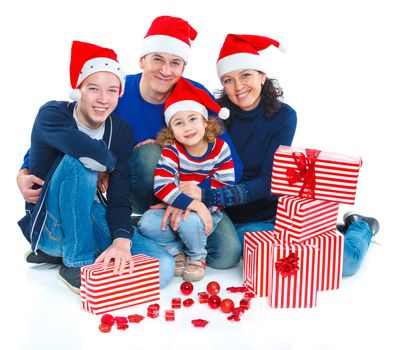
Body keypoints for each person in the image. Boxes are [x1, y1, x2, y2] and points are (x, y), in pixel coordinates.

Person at [17, 15, 243, 271]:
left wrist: (194, 195)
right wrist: (24, 171)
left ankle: (145, 235)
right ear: (142, 60)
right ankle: (122, 230)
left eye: (175, 63)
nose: (165, 70)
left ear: (183, 67)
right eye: (157, 59)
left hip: (193, 195)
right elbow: (66, 133)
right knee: (149, 154)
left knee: (227, 256)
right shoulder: (114, 92)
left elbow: (231, 164)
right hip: (135, 191)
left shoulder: (193, 98)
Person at [176, 33, 380, 277]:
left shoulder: (284, 116)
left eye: (245, 75)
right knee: (269, 261)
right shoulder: (214, 118)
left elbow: (268, 181)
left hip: (279, 213)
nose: (238, 87)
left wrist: (207, 194)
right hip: (235, 221)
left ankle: (360, 225)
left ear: (262, 76)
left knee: (345, 263)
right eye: (228, 80)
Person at [18, 40, 174, 293]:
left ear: (120, 93)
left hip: (89, 211)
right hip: (50, 223)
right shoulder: (52, 114)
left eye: (112, 90)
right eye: (93, 89)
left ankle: (78, 251)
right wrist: (109, 163)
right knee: (78, 164)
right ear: (78, 90)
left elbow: (119, 192)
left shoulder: (120, 130)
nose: (104, 99)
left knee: (163, 267)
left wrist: (122, 239)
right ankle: (74, 261)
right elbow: (84, 149)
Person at [138, 78, 235, 282]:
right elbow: (162, 186)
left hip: (209, 211)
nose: (187, 127)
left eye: (193, 119)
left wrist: (198, 206)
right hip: (173, 207)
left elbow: (226, 188)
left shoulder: (220, 149)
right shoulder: (172, 150)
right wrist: (189, 203)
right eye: (178, 123)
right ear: (171, 130)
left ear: (205, 122)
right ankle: (175, 250)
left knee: (190, 220)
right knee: (146, 222)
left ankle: (196, 256)